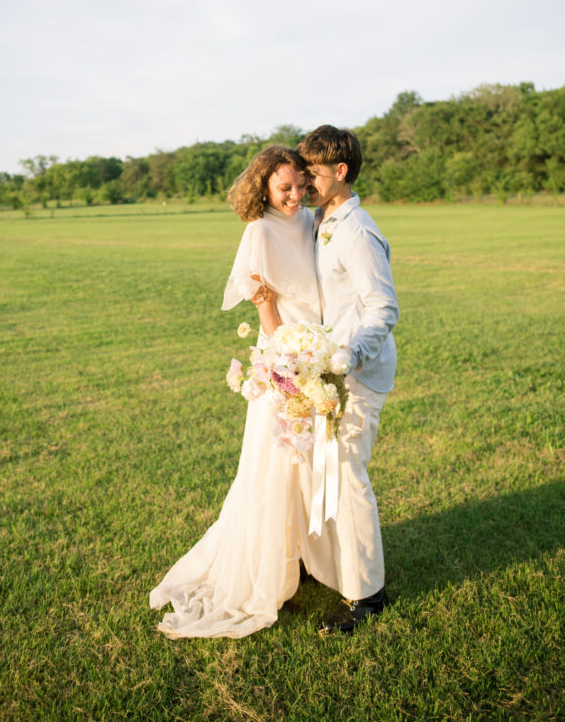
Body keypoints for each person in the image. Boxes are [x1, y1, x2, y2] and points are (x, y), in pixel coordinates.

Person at [149, 145, 322, 638]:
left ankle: (306, 555)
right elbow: (260, 294)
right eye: (282, 188)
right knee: (276, 458)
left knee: (309, 460)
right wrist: (287, 361)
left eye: (298, 186)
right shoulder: (260, 230)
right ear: (264, 188)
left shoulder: (309, 219)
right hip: (287, 353)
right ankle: (267, 566)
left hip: (318, 346)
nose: (293, 196)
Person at [296, 124, 399, 635]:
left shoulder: (357, 231)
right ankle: (325, 565)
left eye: (312, 173)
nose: (304, 182)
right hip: (325, 371)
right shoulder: (322, 219)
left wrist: (346, 358)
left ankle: (366, 594)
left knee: (348, 479)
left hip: (356, 373)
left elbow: (383, 307)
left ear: (340, 172)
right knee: (322, 473)